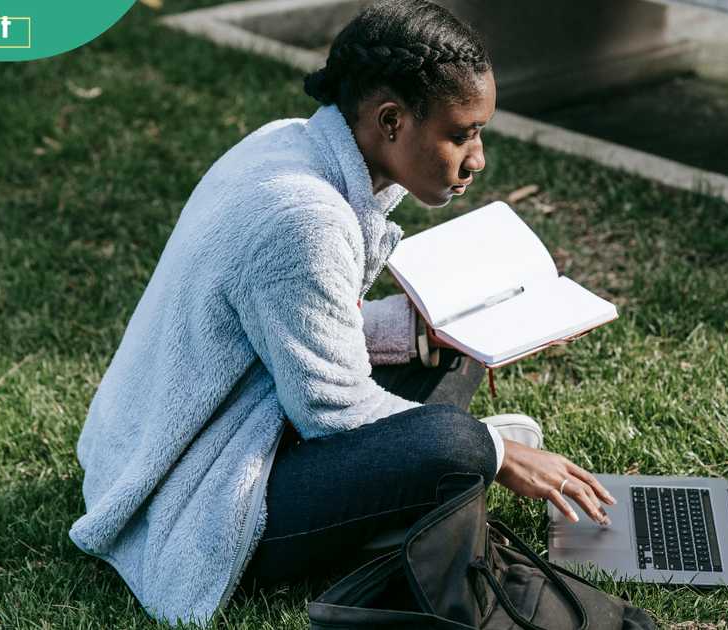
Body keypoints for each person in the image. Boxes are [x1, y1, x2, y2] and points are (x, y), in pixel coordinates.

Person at [68, 0, 615, 625]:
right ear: (390, 121)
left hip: (203, 426)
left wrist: (408, 333)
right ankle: (443, 473)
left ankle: (433, 473)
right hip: (198, 492)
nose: (478, 157)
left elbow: (293, 325)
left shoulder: (286, 141)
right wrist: (494, 454)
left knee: (451, 339)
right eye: (461, 133)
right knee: (454, 443)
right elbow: (331, 411)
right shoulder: (305, 219)